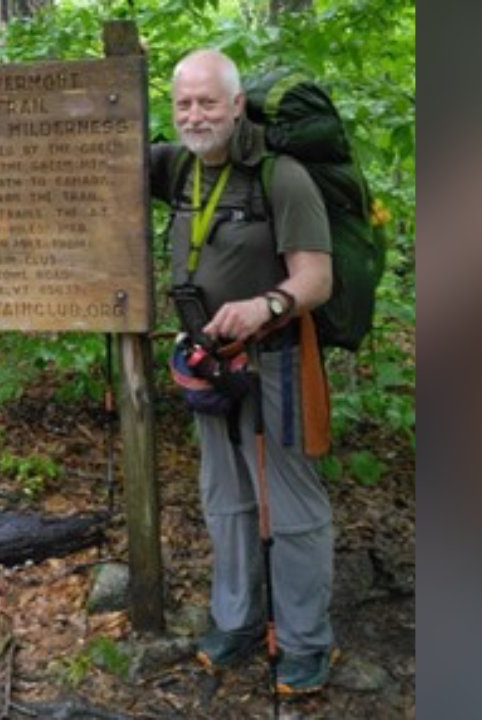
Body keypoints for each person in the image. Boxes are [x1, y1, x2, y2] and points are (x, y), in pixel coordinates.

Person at [151, 48, 337, 695]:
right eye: (183, 103)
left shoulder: (280, 178)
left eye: (207, 101)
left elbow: (316, 276)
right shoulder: (176, 168)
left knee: (290, 505)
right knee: (223, 497)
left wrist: (266, 304)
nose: (195, 114)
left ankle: (307, 640)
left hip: (276, 359)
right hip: (208, 362)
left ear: (235, 104)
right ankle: (236, 621)